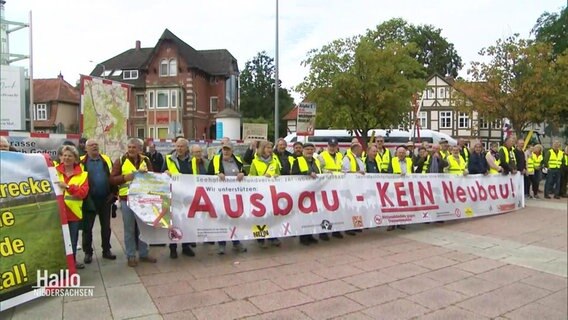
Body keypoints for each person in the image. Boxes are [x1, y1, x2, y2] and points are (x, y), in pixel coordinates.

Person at [109, 138, 157, 267]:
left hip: (143, 199)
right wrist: (126, 177)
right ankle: (131, 255)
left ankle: (144, 254)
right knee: (129, 229)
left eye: (134, 147)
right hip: (127, 199)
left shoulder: (146, 160)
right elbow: (112, 179)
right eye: (129, 147)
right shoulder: (120, 161)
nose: (131, 149)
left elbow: (153, 177)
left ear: (140, 149)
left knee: (143, 228)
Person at [80, 139, 117, 264]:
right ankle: (88, 252)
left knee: (106, 227)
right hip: (89, 200)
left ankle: (106, 250)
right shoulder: (81, 161)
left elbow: (113, 176)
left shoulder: (106, 159)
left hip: (106, 199)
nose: (94, 146)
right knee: (87, 228)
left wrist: (113, 193)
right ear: (86, 149)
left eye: (96, 145)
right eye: (91, 145)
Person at [208, 142, 248, 254]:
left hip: (235, 195)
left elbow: (244, 172)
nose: (226, 151)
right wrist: (217, 176)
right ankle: (222, 244)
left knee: (235, 219)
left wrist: (242, 174)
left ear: (232, 151)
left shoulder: (238, 160)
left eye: (228, 149)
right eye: (224, 149)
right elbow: (207, 175)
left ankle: (236, 242)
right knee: (222, 219)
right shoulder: (215, 160)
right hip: (220, 195)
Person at [56, 145, 89, 269]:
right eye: (64, 155)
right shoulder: (54, 171)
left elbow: (83, 193)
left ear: (75, 159)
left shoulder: (83, 175)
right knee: (59, 240)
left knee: (73, 240)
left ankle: (72, 263)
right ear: (61, 157)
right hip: (57, 212)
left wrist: (68, 187)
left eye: (70, 156)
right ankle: (61, 263)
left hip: (73, 213)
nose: (67, 158)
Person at [163, 138, 196, 258]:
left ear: (187, 148)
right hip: (174, 195)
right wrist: (165, 172)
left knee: (187, 222)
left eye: (181, 146)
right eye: (177, 146)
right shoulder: (168, 159)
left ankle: (186, 246)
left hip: (188, 195)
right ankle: (173, 248)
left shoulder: (193, 160)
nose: (179, 149)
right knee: (175, 222)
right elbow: (162, 174)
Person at [249, 140, 282, 248]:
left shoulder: (275, 162)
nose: (270, 150)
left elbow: (279, 174)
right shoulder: (255, 162)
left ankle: (273, 236)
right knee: (260, 216)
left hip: (272, 193)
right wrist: (262, 178)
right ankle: (260, 238)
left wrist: (277, 175)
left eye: (271, 148)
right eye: (267, 147)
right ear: (262, 149)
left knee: (272, 215)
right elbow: (251, 177)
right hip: (259, 193)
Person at [291, 143, 321, 245]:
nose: (309, 151)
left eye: (311, 149)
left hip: (315, 192)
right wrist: (307, 173)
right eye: (307, 149)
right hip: (302, 192)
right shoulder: (297, 160)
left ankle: (310, 235)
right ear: (303, 150)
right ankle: (303, 237)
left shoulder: (315, 161)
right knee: (303, 215)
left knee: (313, 215)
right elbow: (294, 175)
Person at [318, 138, 347, 238]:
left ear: (337, 146)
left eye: (334, 146)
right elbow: (320, 169)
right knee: (326, 209)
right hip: (326, 185)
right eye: (331, 145)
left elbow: (342, 167)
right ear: (328, 145)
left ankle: (336, 230)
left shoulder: (340, 155)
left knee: (337, 208)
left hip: (338, 184)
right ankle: (324, 231)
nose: (332, 148)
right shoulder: (322, 155)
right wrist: (327, 172)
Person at [386, 147, 411, 230]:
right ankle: (391, 223)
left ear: (405, 153)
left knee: (403, 205)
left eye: (403, 152)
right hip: (394, 185)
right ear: (396, 153)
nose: (401, 154)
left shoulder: (410, 161)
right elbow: (389, 172)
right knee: (393, 204)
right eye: (399, 152)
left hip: (406, 185)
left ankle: (401, 222)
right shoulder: (393, 160)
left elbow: (413, 173)